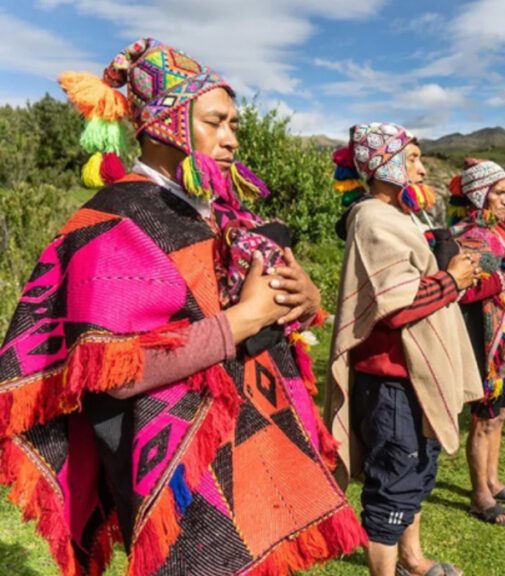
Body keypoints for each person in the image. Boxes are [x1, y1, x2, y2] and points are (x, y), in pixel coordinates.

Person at [0, 38, 366, 576]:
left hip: (247, 445)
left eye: (234, 124)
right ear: (168, 123)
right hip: (177, 474)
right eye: (216, 122)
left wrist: (305, 302)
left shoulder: (218, 213)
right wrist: (246, 319)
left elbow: (257, 302)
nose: (231, 138)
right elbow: (116, 372)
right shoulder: (112, 222)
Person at [324, 122, 483, 576]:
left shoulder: (399, 216)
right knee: (392, 487)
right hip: (392, 379)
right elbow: (394, 306)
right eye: (411, 158)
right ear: (385, 164)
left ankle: (412, 560)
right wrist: (451, 279)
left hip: (412, 377)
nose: (420, 166)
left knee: (414, 475)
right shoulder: (374, 218)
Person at [448, 159, 505, 525]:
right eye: (499, 193)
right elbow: (466, 289)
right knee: (484, 417)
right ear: (478, 195)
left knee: (500, 413)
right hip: (485, 338)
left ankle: (493, 479)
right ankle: (480, 495)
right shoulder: (469, 235)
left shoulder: (500, 231)